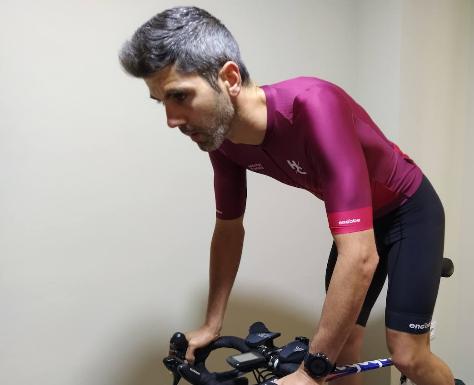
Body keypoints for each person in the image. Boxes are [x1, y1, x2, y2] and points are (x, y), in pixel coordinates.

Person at [119, 6, 455, 385]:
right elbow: (229, 229)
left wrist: (310, 373)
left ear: (229, 77)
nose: (171, 119)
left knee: (408, 355)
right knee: (341, 353)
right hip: (365, 222)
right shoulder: (222, 140)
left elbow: (360, 257)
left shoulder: (313, 106)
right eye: (161, 102)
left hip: (410, 210)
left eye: (179, 96)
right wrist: (212, 324)